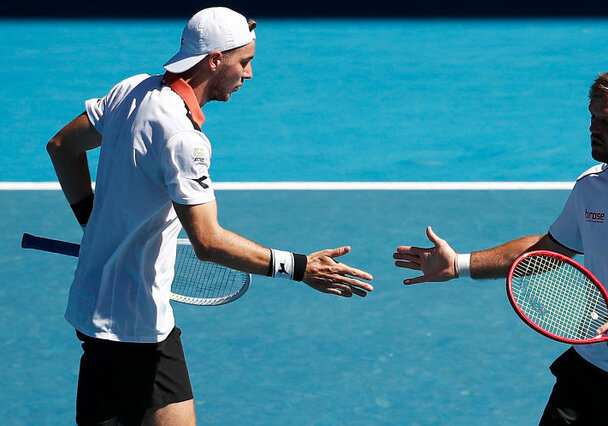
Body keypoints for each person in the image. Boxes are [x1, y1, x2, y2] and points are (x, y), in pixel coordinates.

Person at [46, 7, 373, 425]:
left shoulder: (130, 90)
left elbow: (62, 147)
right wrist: (301, 267)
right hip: (138, 325)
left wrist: (90, 220)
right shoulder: (185, 140)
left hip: (91, 312)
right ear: (214, 59)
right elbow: (208, 241)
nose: (249, 75)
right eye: (244, 62)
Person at [394, 66, 608, 425]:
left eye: (607, 122)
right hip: (588, 366)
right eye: (592, 117)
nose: (593, 129)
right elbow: (549, 250)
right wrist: (460, 264)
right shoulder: (590, 187)